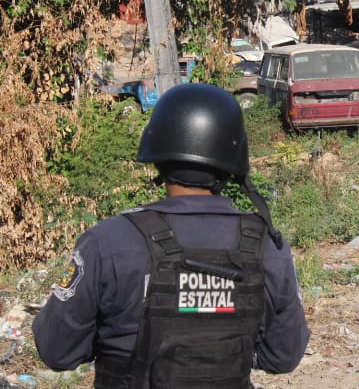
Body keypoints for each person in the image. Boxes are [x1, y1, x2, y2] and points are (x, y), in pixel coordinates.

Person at [32, 83, 310, 389]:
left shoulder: (106, 241)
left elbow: (57, 351)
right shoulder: (267, 245)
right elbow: (283, 356)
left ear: (157, 153)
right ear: (234, 158)